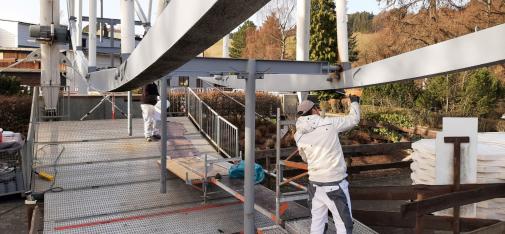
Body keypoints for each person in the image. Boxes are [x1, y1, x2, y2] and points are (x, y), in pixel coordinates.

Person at [294, 96, 360, 234]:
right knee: (344, 224)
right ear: (313, 110)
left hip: (315, 184)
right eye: (317, 108)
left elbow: (305, 158)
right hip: (334, 184)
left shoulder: (298, 134)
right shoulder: (329, 124)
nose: (319, 110)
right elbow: (353, 120)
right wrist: (354, 102)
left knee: (317, 222)